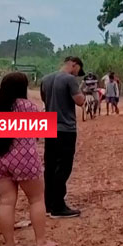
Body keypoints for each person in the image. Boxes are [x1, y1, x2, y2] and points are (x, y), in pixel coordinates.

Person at [0, 72, 58, 246]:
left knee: (6, 202)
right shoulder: (28, 107)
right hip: (25, 160)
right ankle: (41, 241)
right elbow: (42, 133)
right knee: (36, 199)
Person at [40, 56, 85, 219]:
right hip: (66, 128)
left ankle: (48, 203)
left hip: (49, 126)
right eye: (78, 70)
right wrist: (83, 94)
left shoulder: (45, 79)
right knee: (64, 166)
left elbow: (45, 99)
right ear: (74, 65)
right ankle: (58, 206)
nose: (77, 73)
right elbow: (79, 101)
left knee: (50, 166)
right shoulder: (70, 80)